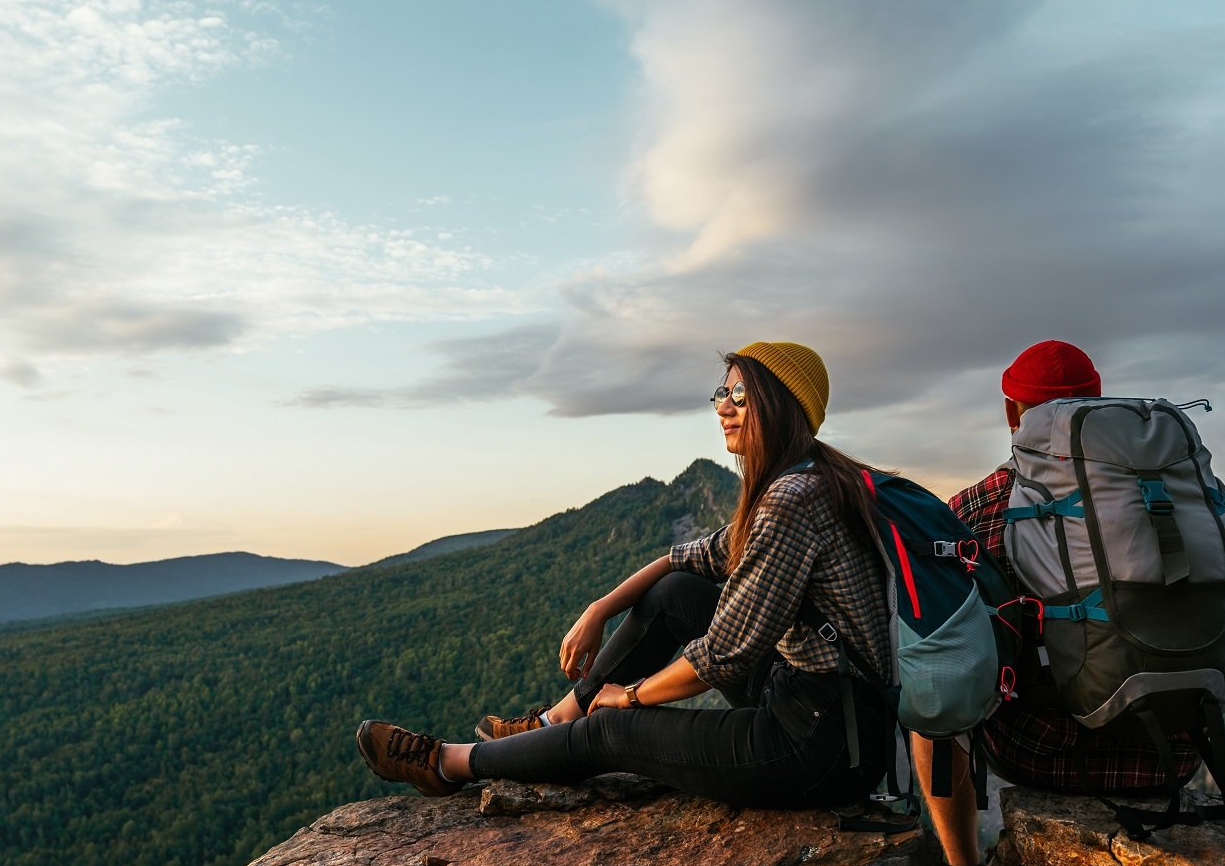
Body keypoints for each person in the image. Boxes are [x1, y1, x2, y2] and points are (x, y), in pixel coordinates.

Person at [355, 341, 895, 811]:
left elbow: (722, 656)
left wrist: (630, 696)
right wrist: (600, 609)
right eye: (721, 394)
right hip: (815, 700)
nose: (723, 408)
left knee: (611, 729)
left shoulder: (791, 499)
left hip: (821, 743)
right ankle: (554, 723)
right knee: (675, 592)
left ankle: (447, 764)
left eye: (740, 395)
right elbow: (689, 559)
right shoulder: (809, 477)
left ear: (780, 405)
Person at [911, 340, 1202, 866]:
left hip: (1038, 752)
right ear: (1097, 402)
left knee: (929, 689)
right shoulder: (1171, 492)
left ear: (1011, 412)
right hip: (1170, 751)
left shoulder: (977, 508)